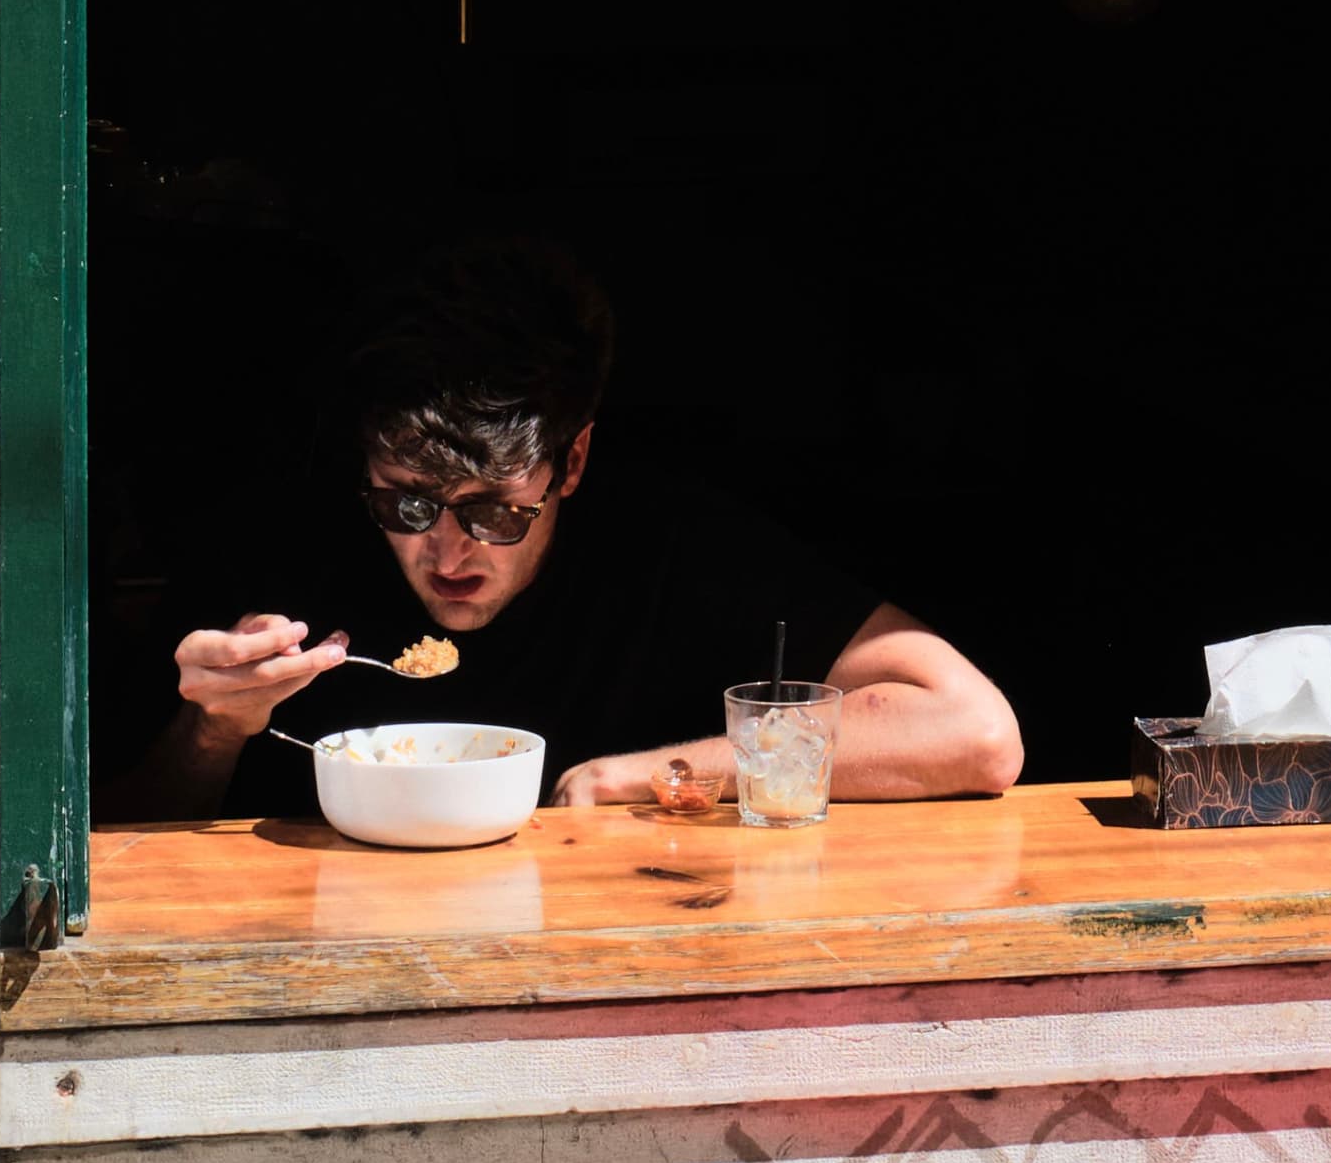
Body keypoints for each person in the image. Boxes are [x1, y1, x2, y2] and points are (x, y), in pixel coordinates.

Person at [106, 242, 1022, 820]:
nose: (449, 551)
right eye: (407, 505)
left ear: (572, 464)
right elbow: (112, 836)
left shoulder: (670, 547)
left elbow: (975, 732)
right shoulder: (279, 549)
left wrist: (649, 775)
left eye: (497, 511)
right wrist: (216, 729)